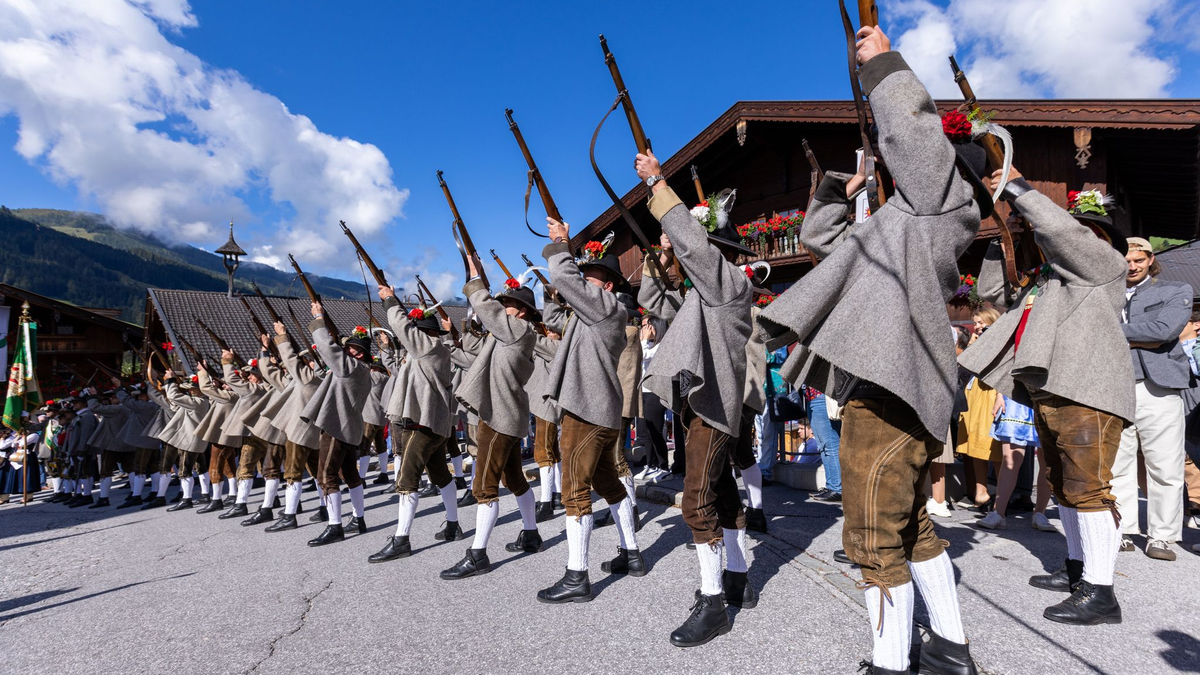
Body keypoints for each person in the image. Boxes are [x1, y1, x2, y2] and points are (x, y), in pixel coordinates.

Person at [760, 26, 984, 673]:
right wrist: (838, 190)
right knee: (910, 527)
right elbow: (823, 240)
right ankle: (949, 648)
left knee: (870, 536)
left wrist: (881, 64)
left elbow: (914, 136)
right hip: (886, 387)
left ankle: (892, 665)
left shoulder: (942, 206)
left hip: (889, 390)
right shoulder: (897, 225)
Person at [961, 168, 1133, 626]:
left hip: (1087, 387)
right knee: (1064, 485)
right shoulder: (1049, 284)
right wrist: (1006, 241)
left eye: (1086, 231)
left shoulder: (1105, 263)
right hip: (1053, 389)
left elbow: (1063, 230)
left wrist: (1018, 189)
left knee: (1089, 488)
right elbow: (991, 294)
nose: (1065, 239)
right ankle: (1079, 569)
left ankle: (1101, 592)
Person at [635, 157, 763, 645]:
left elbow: (693, 245)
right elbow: (654, 297)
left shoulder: (729, 284)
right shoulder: (702, 296)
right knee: (725, 497)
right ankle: (737, 579)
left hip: (712, 407)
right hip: (701, 404)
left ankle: (713, 604)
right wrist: (661, 257)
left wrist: (657, 185)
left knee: (696, 502)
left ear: (717, 252)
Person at [535, 221, 643, 603]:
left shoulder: (606, 308)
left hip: (587, 409)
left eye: (592, 277)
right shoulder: (591, 313)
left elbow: (566, 278)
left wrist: (561, 243)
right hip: (597, 409)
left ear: (609, 285)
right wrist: (551, 291)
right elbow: (553, 319)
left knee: (574, 491)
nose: (585, 282)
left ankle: (576, 576)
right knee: (608, 485)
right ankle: (632, 553)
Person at [441, 255, 542, 579]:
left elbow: (487, 309)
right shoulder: (512, 332)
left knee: (484, 487)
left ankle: (478, 553)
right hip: (503, 416)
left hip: (499, 417)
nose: (501, 308)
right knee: (513, 479)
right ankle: (531, 533)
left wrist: (475, 280)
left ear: (521, 311)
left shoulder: (518, 330)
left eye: (507, 304)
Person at [1110, 237, 1192, 561]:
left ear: (1150, 259)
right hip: (1116, 384)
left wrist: (1116, 332)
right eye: (1126, 260)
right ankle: (1124, 530)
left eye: (1138, 260)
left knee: (1166, 465)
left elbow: (1163, 331)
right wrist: (1139, 338)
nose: (1131, 266)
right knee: (1119, 463)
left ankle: (1162, 537)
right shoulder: (1106, 293)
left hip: (1161, 387)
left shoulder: (1176, 290)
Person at [369, 290, 462, 562]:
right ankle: (453, 526)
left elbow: (401, 324)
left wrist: (389, 299)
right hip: (432, 422)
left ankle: (401, 539)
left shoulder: (428, 347)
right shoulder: (433, 350)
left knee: (406, 480)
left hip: (421, 423)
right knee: (441, 477)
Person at [300, 306, 374, 546]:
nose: (349, 350)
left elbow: (327, 348)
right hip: (348, 427)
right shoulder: (360, 369)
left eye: (354, 348)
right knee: (350, 475)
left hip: (336, 427)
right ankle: (358, 519)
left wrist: (318, 319)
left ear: (361, 354)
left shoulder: (351, 367)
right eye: (349, 347)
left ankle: (335, 526)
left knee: (326, 476)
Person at [266, 322, 324, 531]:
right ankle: (325, 507)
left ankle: (290, 515)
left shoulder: (310, 378)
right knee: (318, 473)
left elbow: (290, 361)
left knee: (292, 473)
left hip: (299, 432)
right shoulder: (321, 377)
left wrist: (282, 337)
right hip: (313, 433)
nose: (304, 362)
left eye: (307, 360)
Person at [957, 309, 1002, 511]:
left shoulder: (999, 339)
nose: (977, 326)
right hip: (974, 393)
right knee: (974, 445)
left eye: (981, 322)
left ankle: (1002, 495)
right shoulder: (976, 342)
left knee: (994, 446)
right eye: (975, 323)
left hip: (990, 394)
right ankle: (980, 492)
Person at [161, 369, 211, 511]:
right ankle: (205, 494)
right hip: (195, 440)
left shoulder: (198, 402)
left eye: (193, 389)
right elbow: (175, 405)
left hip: (189, 440)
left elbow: (174, 396)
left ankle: (186, 498)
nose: (191, 391)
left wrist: (170, 381)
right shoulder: (199, 401)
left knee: (184, 470)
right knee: (201, 468)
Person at [636, 314, 672, 482]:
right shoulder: (649, 344)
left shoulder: (662, 346)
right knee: (646, 430)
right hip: (643, 390)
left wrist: (644, 341)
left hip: (655, 391)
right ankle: (651, 464)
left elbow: (643, 357)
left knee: (655, 430)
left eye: (648, 326)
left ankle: (663, 466)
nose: (645, 330)